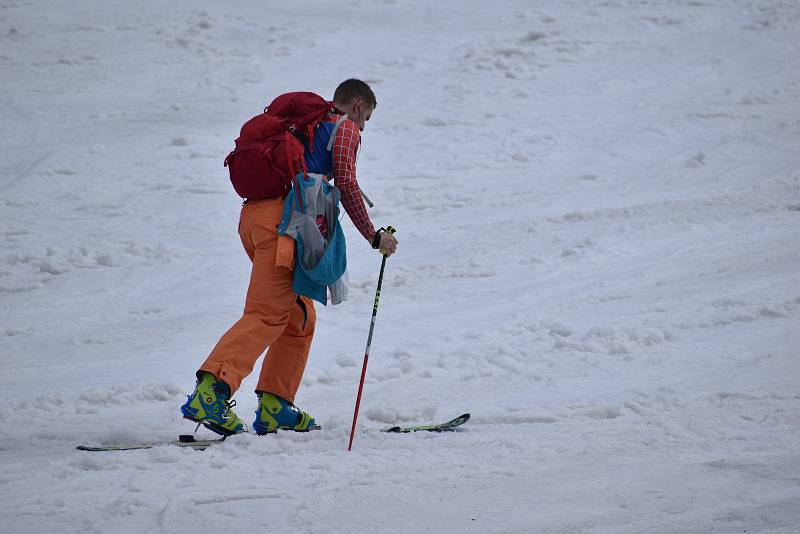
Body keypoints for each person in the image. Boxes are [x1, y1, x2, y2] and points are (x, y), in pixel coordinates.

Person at [180, 79, 398, 436]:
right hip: (284, 226)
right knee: (267, 313)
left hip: (256, 221)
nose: (363, 129)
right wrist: (374, 235)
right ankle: (211, 392)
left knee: (298, 316)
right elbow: (345, 181)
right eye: (366, 119)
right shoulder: (342, 128)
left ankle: (275, 404)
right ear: (357, 105)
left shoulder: (307, 125)